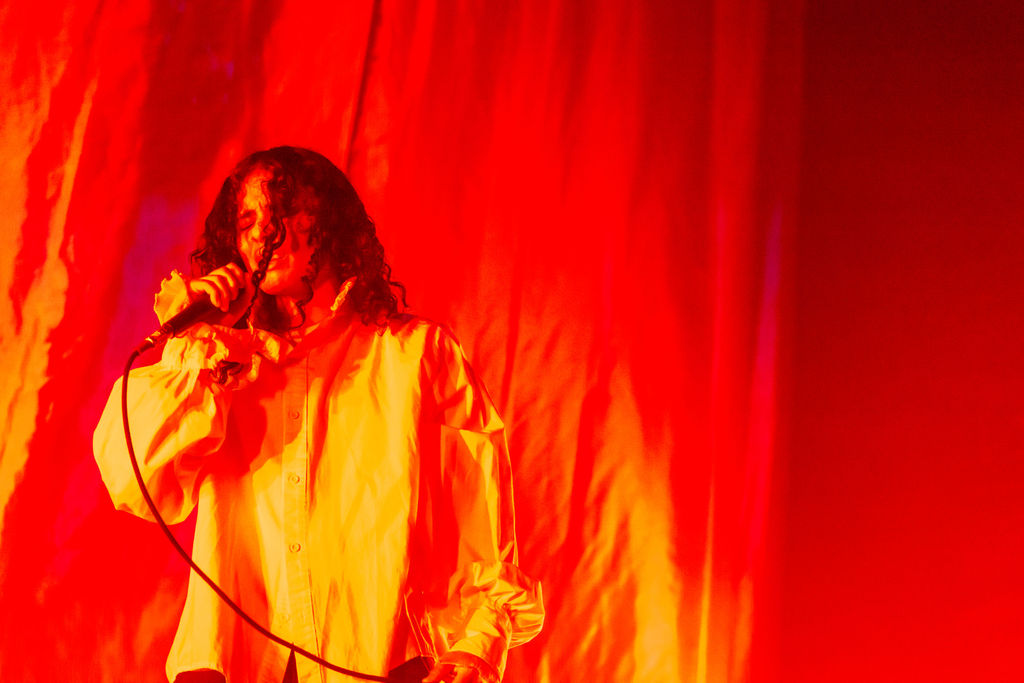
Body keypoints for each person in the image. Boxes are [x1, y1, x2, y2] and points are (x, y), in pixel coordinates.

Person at [93, 146, 543, 683]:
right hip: (235, 662)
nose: (265, 232)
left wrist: (476, 647)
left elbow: (480, 514)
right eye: (249, 220)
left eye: (283, 211)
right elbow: (130, 478)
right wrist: (194, 347)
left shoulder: (416, 355)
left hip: (380, 660)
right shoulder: (221, 365)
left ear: (328, 221)